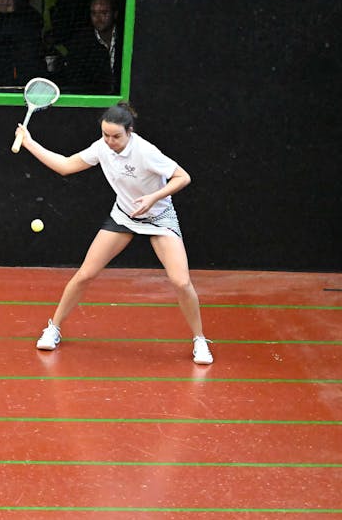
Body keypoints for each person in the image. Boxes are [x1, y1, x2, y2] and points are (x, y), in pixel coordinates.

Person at [14, 102, 213, 365]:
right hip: (123, 215)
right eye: (105, 135)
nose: (110, 141)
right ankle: (54, 328)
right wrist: (29, 142)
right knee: (85, 274)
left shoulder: (145, 152)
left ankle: (199, 340)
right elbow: (65, 165)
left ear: (129, 131)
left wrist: (153, 197)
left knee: (180, 282)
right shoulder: (101, 147)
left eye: (116, 136)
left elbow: (182, 177)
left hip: (158, 217)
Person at [60, 0, 121, 94]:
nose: (98, 18)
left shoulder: (125, 37)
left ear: (115, 14)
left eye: (104, 13)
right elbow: (75, 80)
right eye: (94, 13)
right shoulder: (81, 42)